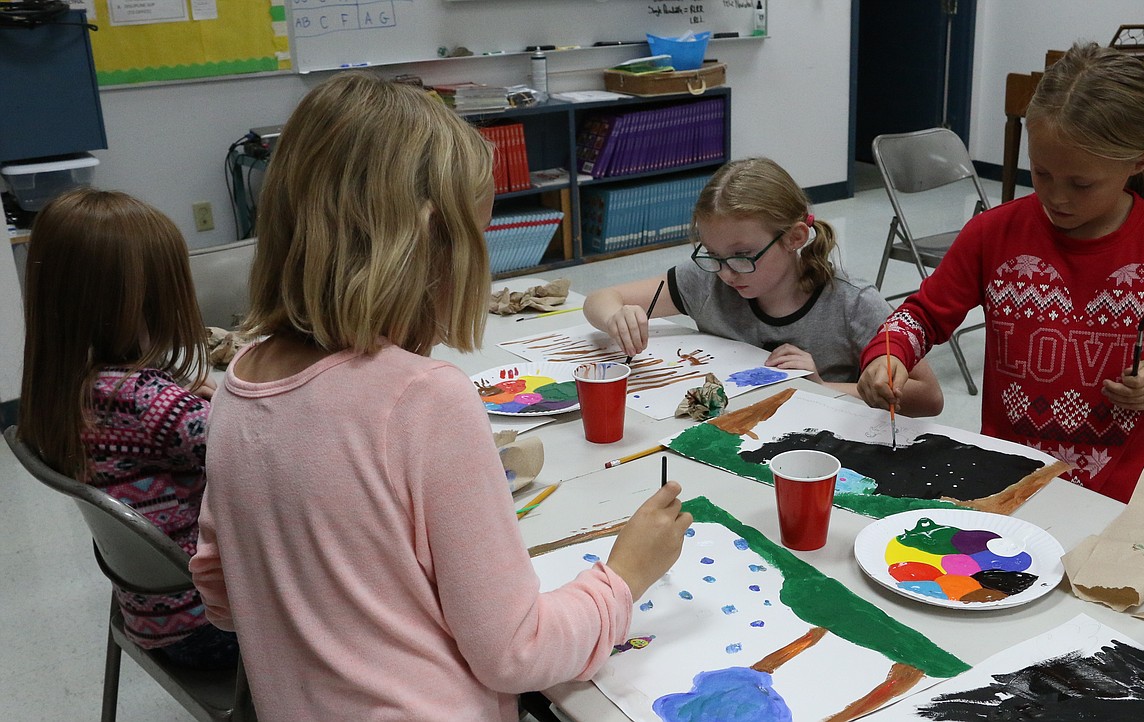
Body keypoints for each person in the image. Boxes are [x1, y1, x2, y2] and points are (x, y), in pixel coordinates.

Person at [189, 72, 691, 721]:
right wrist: (624, 577)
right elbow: (516, 652)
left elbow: (222, 596)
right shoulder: (423, 401)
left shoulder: (239, 384)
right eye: (476, 234)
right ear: (428, 237)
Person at [857, 42, 1144, 503]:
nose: (1056, 197)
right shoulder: (994, 234)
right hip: (1007, 479)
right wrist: (889, 354)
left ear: (1140, 162)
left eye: (1081, 184)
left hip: (1121, 492)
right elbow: (922, 315)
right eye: (1040, 173)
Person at [18, 188, 238, 669]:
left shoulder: (62, 385)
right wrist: (222, 398)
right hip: (210, 628)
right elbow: (257, 452)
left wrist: (180, 396)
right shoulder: (148, 403)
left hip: (152, 618)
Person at [583, 157, 944, 417]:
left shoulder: (852, 303)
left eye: (743, 255)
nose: (726, 273)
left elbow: (928, 398)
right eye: (713, 254)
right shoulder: (708, 279)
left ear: (794, 238)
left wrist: (818, 385)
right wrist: (617, 316)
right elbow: (600, 299)